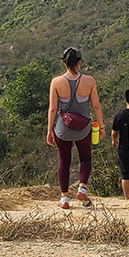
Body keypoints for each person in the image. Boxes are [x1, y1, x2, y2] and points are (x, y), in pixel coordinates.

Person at [47, 47, 104, 210]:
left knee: (64, 161)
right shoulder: (89, 81)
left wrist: (49, 130)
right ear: (80, 62)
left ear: (64, 62)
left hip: (62, 128)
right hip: (84, 127)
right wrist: (101, 126)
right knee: (85, 159)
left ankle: (64, 198)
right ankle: (82, 188)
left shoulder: (56, 82)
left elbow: (52, 108)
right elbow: (96, 106)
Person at [110, 87, 129, 199]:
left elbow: (114, 132)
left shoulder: (120, 114)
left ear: (126, 99)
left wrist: (114, 141)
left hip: (123, 148)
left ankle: (127, 197)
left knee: (125, 175)